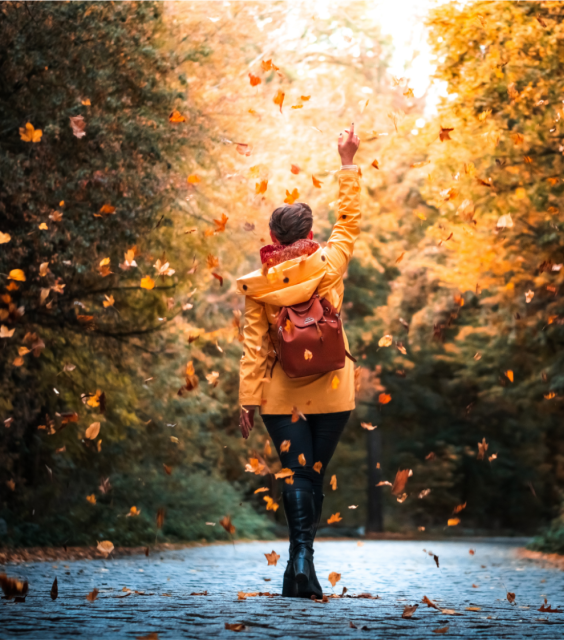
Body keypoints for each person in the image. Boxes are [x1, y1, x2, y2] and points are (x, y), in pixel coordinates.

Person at [235, 123, 361, 598]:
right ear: (310, 233)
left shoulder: (259, 287)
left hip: (279, 395)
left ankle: (299, 563)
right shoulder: (329, 263)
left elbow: (255, 348)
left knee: (297, 473)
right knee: (311, 475)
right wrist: (347, 162)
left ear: (271, 235)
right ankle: (301, 562)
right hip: (333, 390)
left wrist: (248, 400)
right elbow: (349, 221)